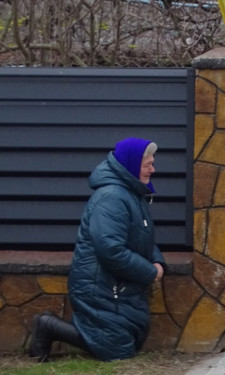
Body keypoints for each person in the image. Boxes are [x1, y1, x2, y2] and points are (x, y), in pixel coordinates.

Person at [28, 138, 166, 362]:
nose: (153, 169)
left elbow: (141, 237)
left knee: (125, 344)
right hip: (99, 284)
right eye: (147, 165)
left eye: (152, 163)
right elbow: (111, 251)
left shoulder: (131, 195)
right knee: (116, 350)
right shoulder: (112, 197)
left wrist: (157, 261)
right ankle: (48, 326)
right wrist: (149, 272)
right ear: (131, 165)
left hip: (113, 285)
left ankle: (52, 327)